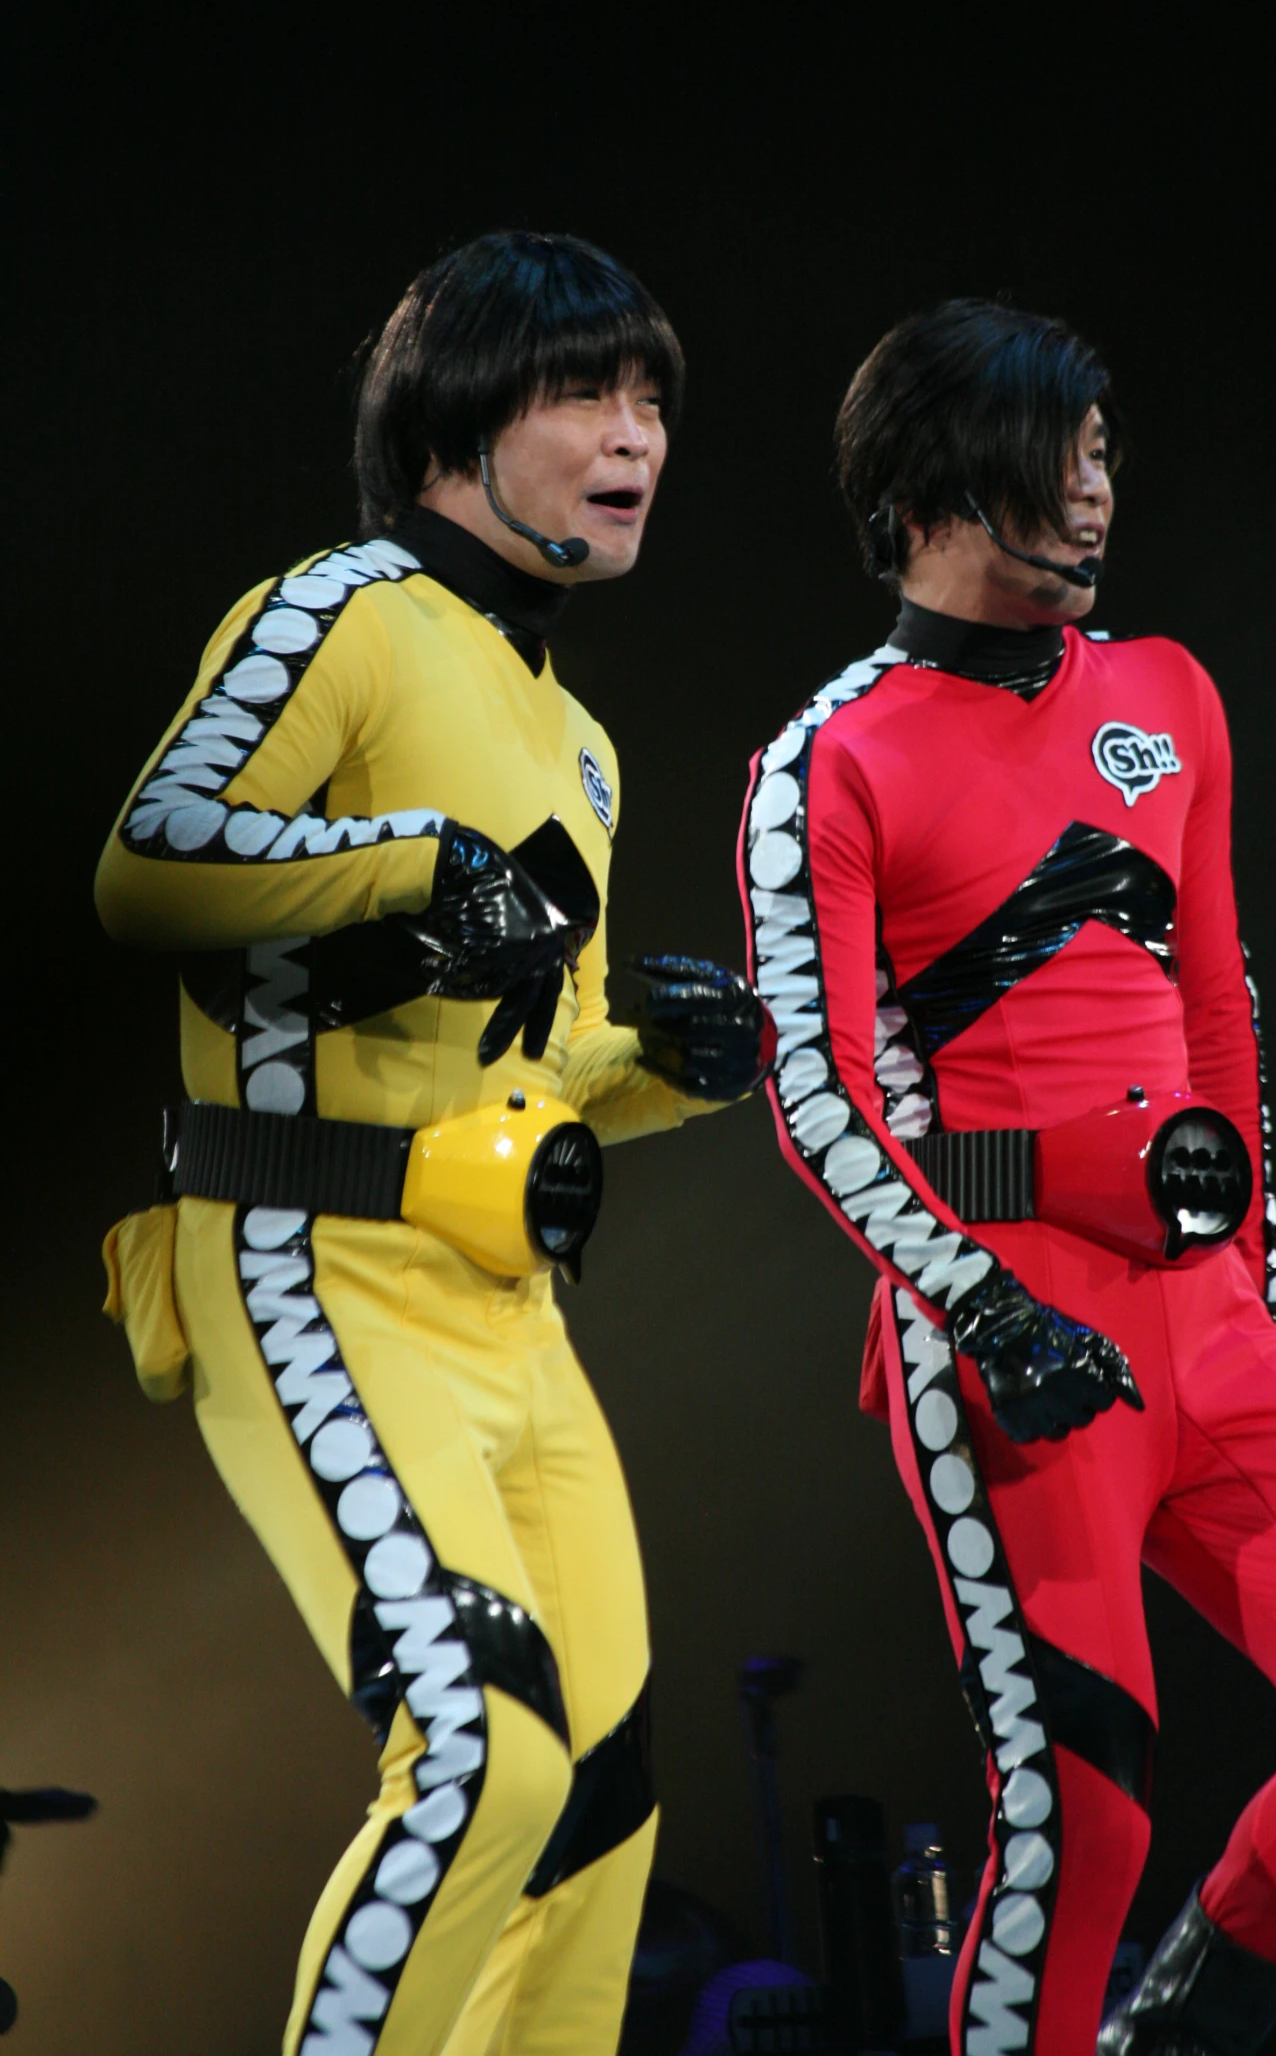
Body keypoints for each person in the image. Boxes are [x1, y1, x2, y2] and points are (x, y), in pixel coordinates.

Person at [738, 300, 1276, 2055]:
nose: (1093, 492)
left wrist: (1251, 1269)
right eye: (1054, 454)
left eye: (1102, 454)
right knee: (1080, 1821)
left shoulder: (1166, 690)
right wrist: (986, 1309)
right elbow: (822, 1101)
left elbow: (1216, 993)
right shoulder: (827, 758)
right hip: (998, 1326)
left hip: (1205, 1317)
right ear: (934, 480)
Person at [95, 230, 770, 2056]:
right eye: (585, 392)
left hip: (509, 1312)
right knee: (479, 1751)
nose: (636, 434)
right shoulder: (338, 609)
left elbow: (541, 1067)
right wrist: (421, 864)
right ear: (450, 427)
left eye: (651, 401)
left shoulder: (587, 743)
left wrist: (682, 1063)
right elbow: (147, 865)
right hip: (312, 1258)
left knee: (601, 1807)